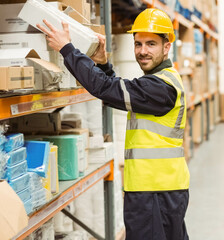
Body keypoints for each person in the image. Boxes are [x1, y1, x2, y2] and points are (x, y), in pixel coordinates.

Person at [37, 8, 190, 240]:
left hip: (155, 191)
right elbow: (120, 91)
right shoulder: (157, 82)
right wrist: (103, 65)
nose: (142, 51)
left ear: (166, 47)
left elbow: (107, 89)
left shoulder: (161, 88)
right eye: (138, 44)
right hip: (158, 188)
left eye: (151, 44)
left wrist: (67, 49)